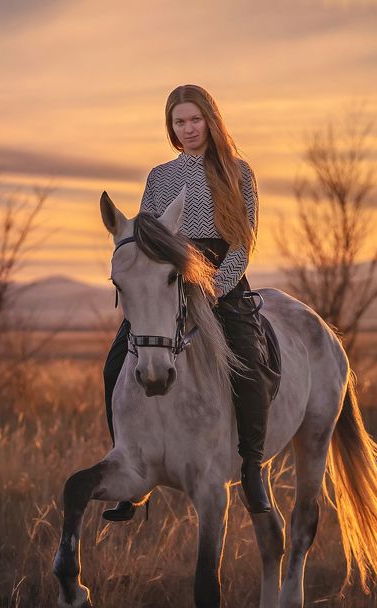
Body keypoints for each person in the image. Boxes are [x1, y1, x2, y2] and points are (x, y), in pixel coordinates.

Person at [102, 84, 275, 518]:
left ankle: (252, 467)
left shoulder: (238, 171)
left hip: (221, 279)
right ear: (171, 128)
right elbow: (146, 239)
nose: (188, 128)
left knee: (248, 363)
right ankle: (127, 467)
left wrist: (215, 288)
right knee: (114, 363)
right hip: (166, 285)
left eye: (195, 119)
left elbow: (244, 240)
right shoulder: (159, 177)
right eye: (180, 122)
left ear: (210, 121)